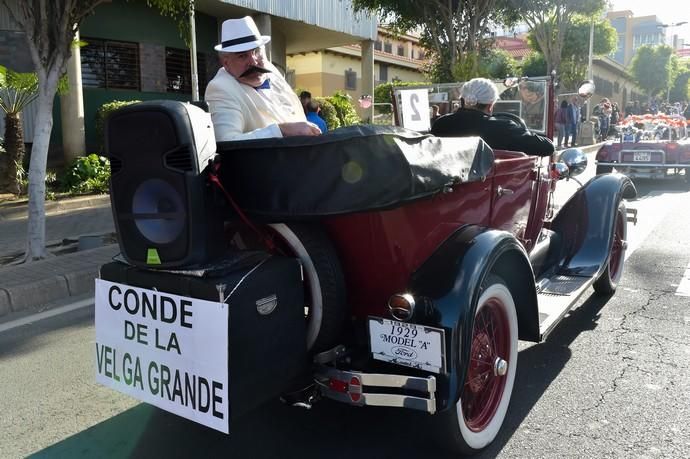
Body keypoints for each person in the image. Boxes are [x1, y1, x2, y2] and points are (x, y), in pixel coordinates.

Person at [204, 16, 321, 141]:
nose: (253, 61)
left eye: (256, 51)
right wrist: (282, 130)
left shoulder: (271, 72)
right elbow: (227, 142)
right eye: (242, 56)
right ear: (226, 63)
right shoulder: (220, 88)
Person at [431, 78, 554, 156]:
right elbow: (548, 148)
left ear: (462, 100)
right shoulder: (503, 128)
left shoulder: (441, 124)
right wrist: (524, 131)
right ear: (491, 105)